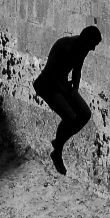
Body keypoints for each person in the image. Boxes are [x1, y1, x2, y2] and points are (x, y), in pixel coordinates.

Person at [33, 25, 102, 175]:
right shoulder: (65, 46)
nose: (93, 49)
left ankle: (58, 143)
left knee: (85, 114)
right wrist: (66, 91)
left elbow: (77, 70)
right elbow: (50, 73)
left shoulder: (83, 48)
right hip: (47, 85)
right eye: (93, 45)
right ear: (85, 39)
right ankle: (57, 152)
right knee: (69, 117)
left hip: (62, 84)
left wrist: (75, 88)